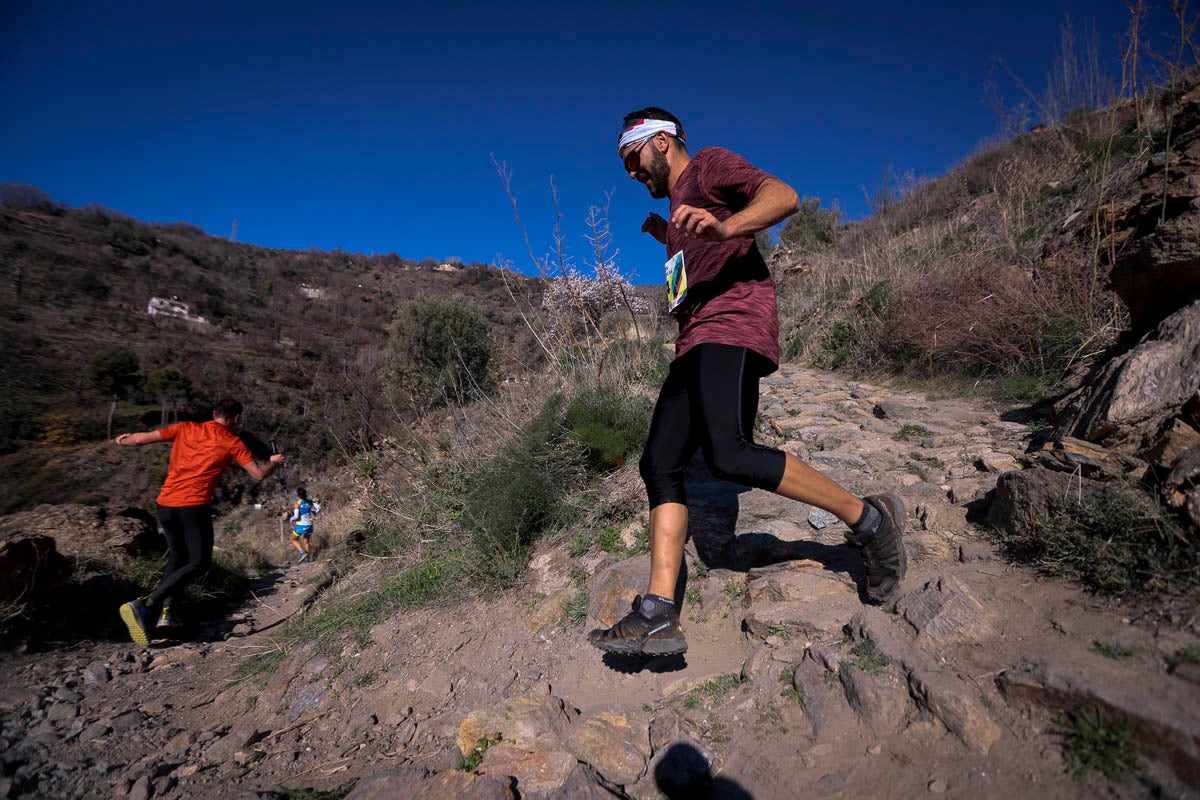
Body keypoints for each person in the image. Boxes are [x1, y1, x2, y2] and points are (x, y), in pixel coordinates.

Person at [588, 109, 907, 657]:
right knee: (659, 461)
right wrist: (669, 235)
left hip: (732, 325)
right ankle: (658, 611)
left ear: (661, 142)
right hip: (695, 337)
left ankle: (869, 519)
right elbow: (701, 259)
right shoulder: (677, 202)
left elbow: (783, 196)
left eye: (633, 160)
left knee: (729, 455)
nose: (631, 174)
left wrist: (730, 225)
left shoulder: (709, 165)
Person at [113, 398, 285, 646]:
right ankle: (146, 604)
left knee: (177, 557)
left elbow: (140, 439)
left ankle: (168, 614)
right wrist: (274, 463)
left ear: (214, 413)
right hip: (192, 506)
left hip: (165, 504)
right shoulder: (232, 441)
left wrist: (123, 440)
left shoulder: (186, 428)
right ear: (236, 419)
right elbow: (258, 473)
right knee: (199, 562)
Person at [289, 486, 321, 563]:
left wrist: (291, 519)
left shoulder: (297, 504)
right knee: (306, 540)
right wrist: (315, 512)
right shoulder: (310, 501)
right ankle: (307, 560)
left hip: (301, 525)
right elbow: (319, 507)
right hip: (309, 524)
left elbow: (296, 516)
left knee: (293, 539)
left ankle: (303, 553)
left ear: (297, 495)